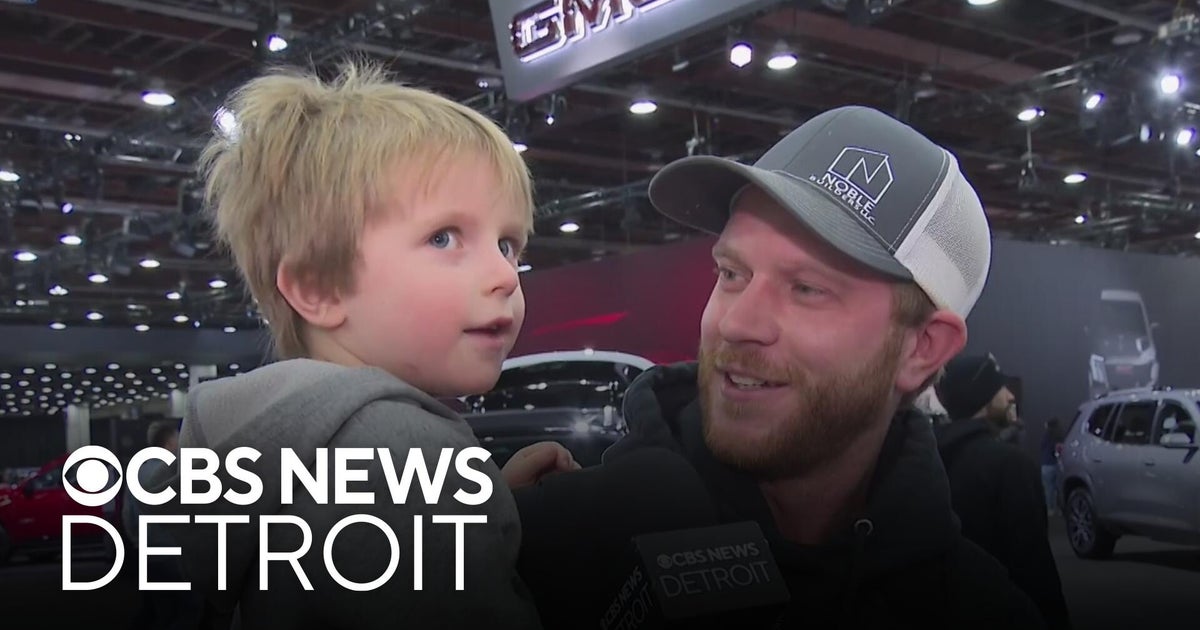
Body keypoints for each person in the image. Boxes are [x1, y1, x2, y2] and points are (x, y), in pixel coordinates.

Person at [518, 106, 1045, 628]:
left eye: (807, 288)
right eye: (731, 273)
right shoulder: (543, 553)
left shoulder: (985, 612)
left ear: (922, 348)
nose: (736, 322)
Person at [141, 61, 576, 629]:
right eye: (443, 238)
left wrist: (487, 507)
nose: (505, 276)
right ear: (317, 289)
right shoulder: (405, 451)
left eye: (507, 244)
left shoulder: (284, 453)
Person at [935, 354, 1071, 629]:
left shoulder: (928, 461)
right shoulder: (1011, 466)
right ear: (981, 398)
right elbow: (1033, 567)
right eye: (1000, 388)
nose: (1011, 396)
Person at [1041, 417, 1064, 516]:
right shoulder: (1060, 435)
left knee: (1048, 489)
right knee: (1058, 488)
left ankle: (1050, 509)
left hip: (1046, 464)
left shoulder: (1046, 436)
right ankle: (1059, 509)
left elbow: (1042, 447)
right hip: (1058, 464)